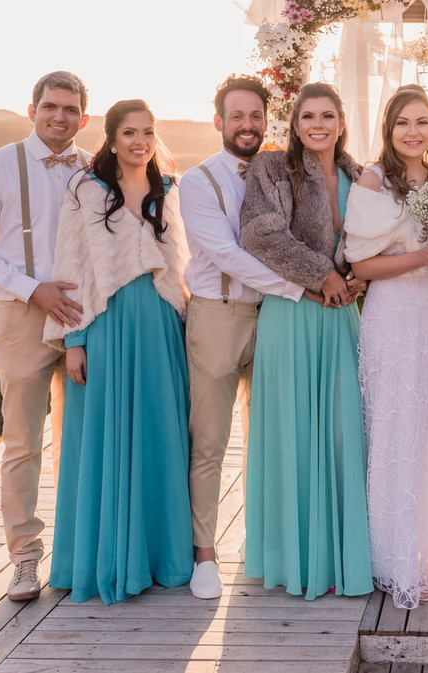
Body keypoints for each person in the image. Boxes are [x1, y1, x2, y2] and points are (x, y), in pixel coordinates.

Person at [41, 99, 193, 605]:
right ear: (110, 138)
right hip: (105, 328)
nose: (140, 141)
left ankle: (161, 558)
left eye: (148, 132)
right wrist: (75, 342)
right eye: (129, 132)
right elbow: (72, 267)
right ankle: (102, 559)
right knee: (103, 441)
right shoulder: (86, 190)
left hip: (160, 326)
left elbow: (182, 265)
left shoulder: (169, 189)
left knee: (160, 437)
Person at [0, 71, 91, 602]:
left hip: (85, 317)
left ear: (86, 113)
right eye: (50, 106)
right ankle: (24, 558)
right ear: (31, 108)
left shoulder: (93, 167)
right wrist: (32, 289)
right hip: (22, 316)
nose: (60, 116)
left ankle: (83, 550)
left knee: (86, 438)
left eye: (70, 108)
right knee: (22, 442)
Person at [343, 85, 428, 608]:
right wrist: (419, 258)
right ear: (389, 128)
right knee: (393, 431)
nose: (413, 131)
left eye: (422, 122)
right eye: (403, 122)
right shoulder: (374, 180)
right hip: (393, 317)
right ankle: (391, 560)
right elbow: (361, 264)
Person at [179, 75, 314, 599]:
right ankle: (205, 554)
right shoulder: (199, 181)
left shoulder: (281, 172)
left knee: (272, 438)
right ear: (219, 122)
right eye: (237, 116)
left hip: (276, 317)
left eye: (256, 116)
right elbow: (227, 253)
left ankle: (267, 547)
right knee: (210, 440)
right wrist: (300, 284)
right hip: (219, 314)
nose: (247, 125)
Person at [239, 82, 372, 600]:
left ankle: (342, 552)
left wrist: (360, 276)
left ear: (341, 123)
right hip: (293, 313)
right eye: (308, 116)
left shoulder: (360, 176)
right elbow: (260, 234)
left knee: (343, 431)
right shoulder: (271, 169)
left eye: (328, 116)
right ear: (295, 125)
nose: (317, 124)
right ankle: (293, 559)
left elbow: (374, 240)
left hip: (342, 316)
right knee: (293, 430)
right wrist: (322, 275)